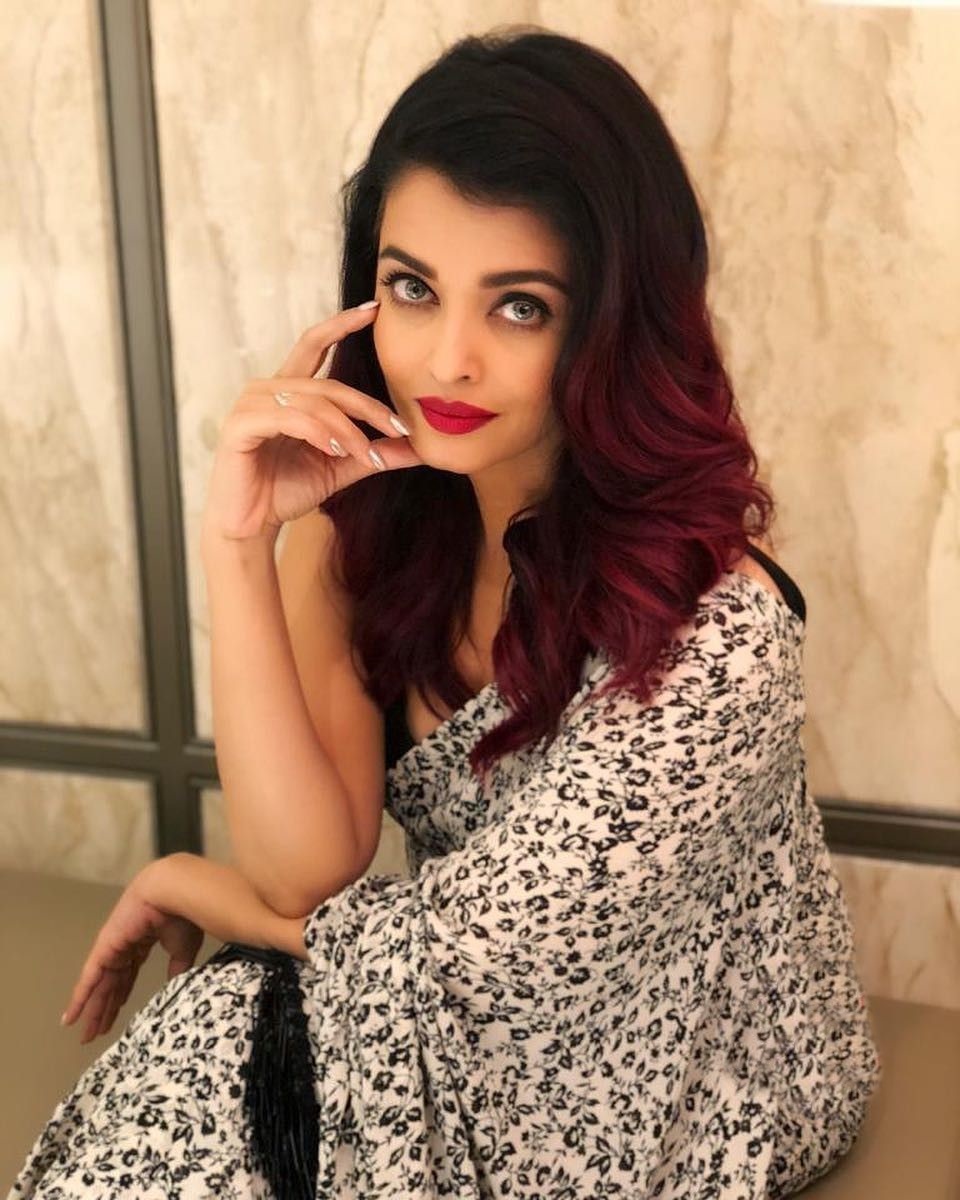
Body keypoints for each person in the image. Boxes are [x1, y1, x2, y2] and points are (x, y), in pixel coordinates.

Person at [8, 24, 882, 1200]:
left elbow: (475, 954)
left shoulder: (719, 634)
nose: (446, 360)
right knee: (212, 1051)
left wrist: (188, 884)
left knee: (239, 1025)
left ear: (612, 326)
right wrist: (240, 544)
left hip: (679, 1072)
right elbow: (306, 874)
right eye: (412, 289)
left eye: (519, 307)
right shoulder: (370, 529)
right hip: (437, 1004)